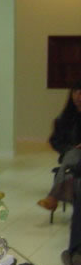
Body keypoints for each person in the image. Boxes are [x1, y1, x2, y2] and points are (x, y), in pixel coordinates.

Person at [38, 80, 81, 212]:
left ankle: (52, 198)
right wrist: (70, 149)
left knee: (68, 171)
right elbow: (55, 140)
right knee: (72, 156)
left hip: (73, 160)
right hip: (71, 156)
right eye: (75, 92)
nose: (78, 96)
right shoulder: (65, 117)